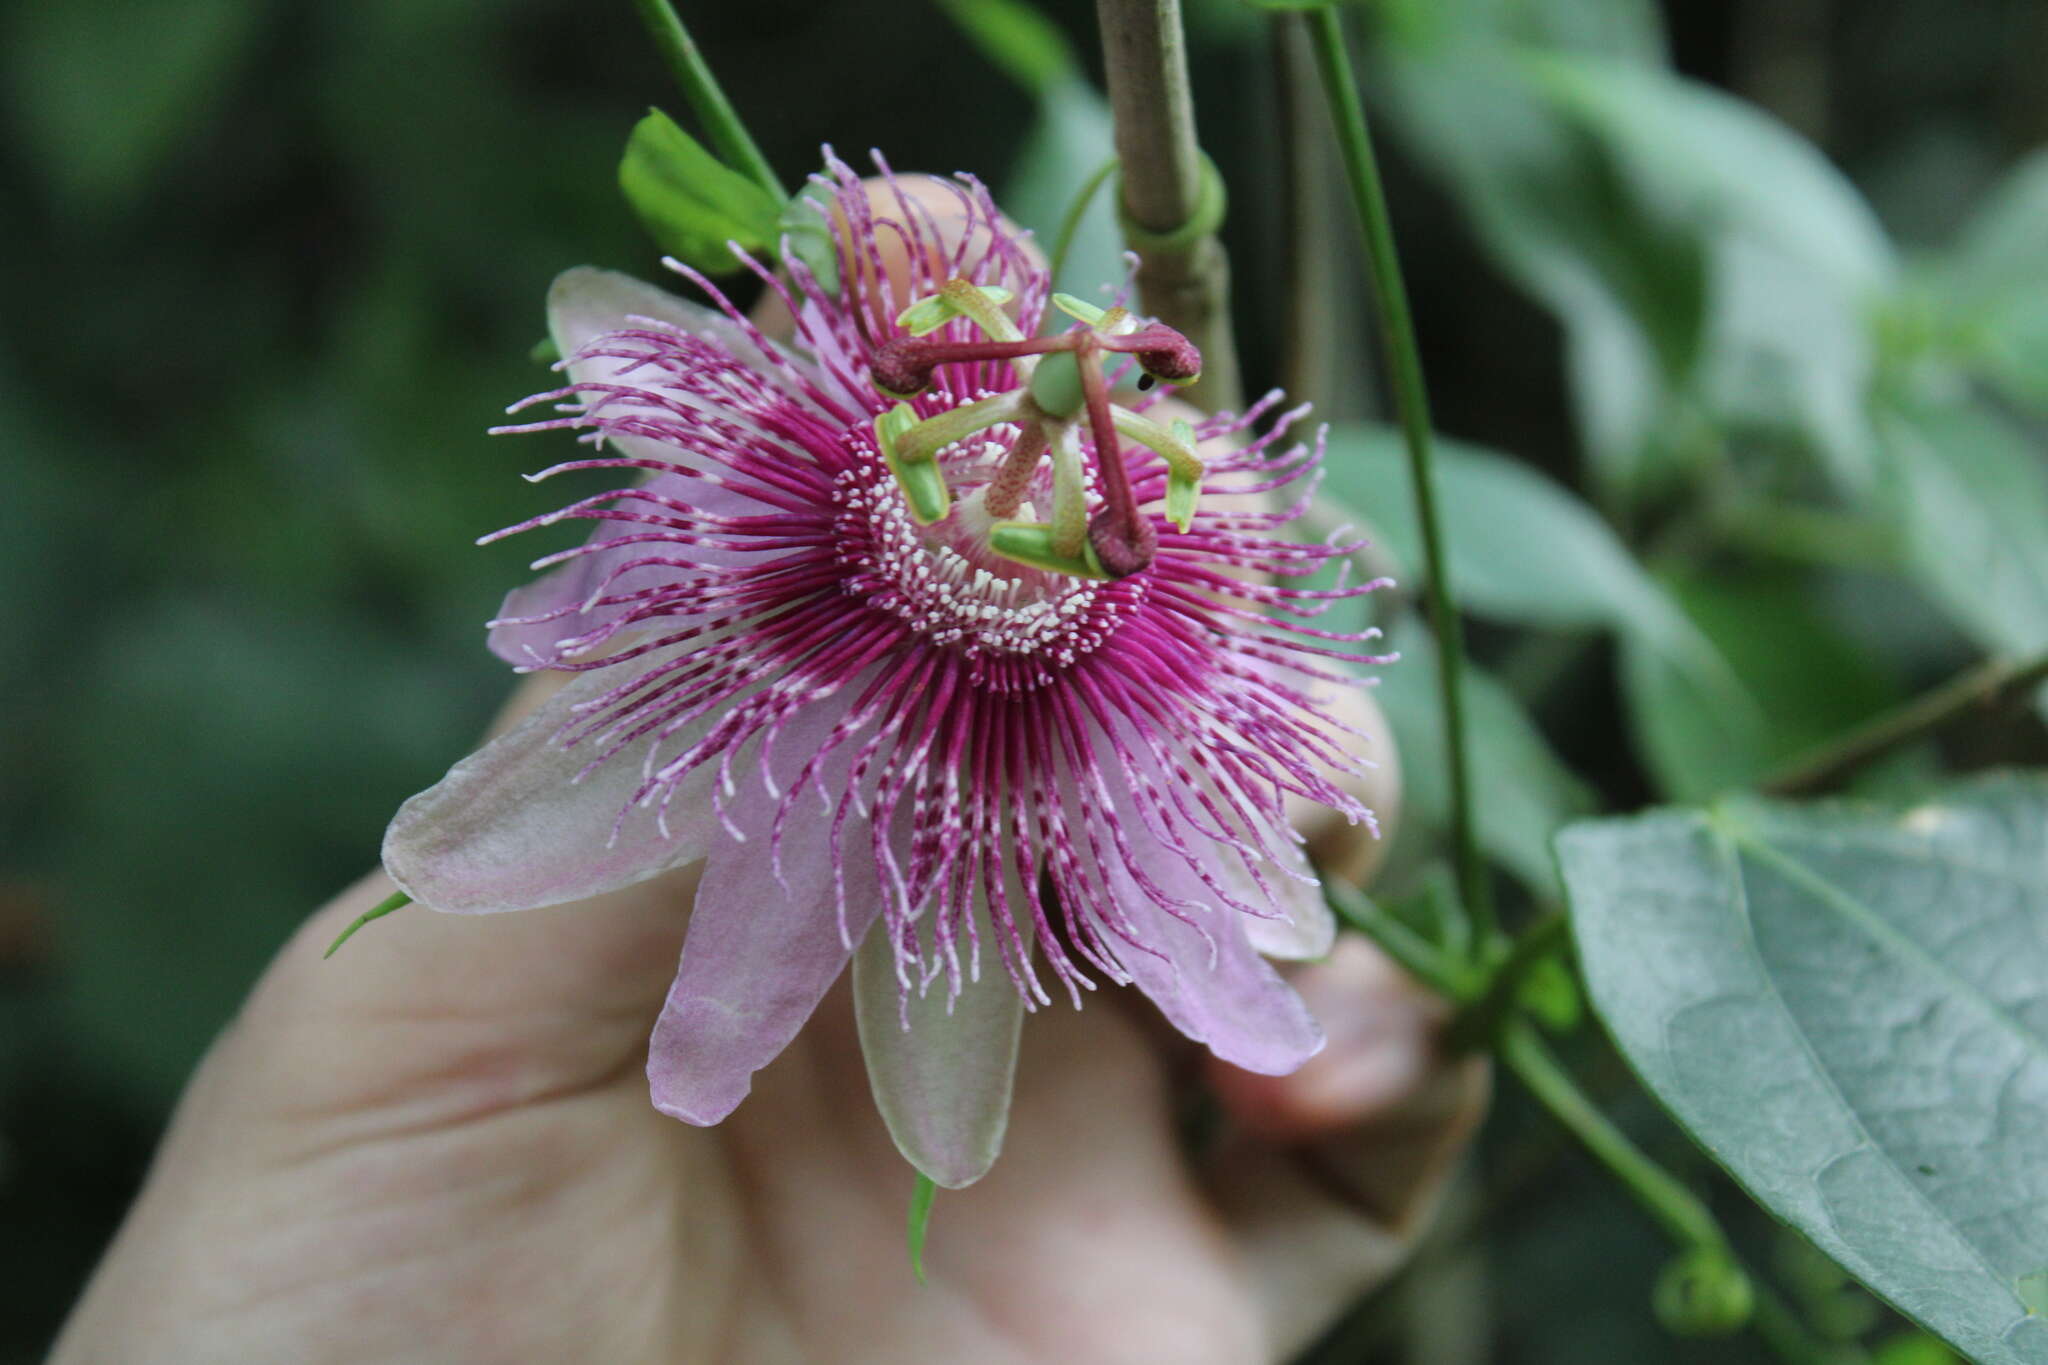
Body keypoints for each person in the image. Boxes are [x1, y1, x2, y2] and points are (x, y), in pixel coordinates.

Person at [50, 176, 1486, 1364]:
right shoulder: (744, 603)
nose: (1054, 394)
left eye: (1075, 416)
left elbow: (1282, 917)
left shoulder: (1068, 656)